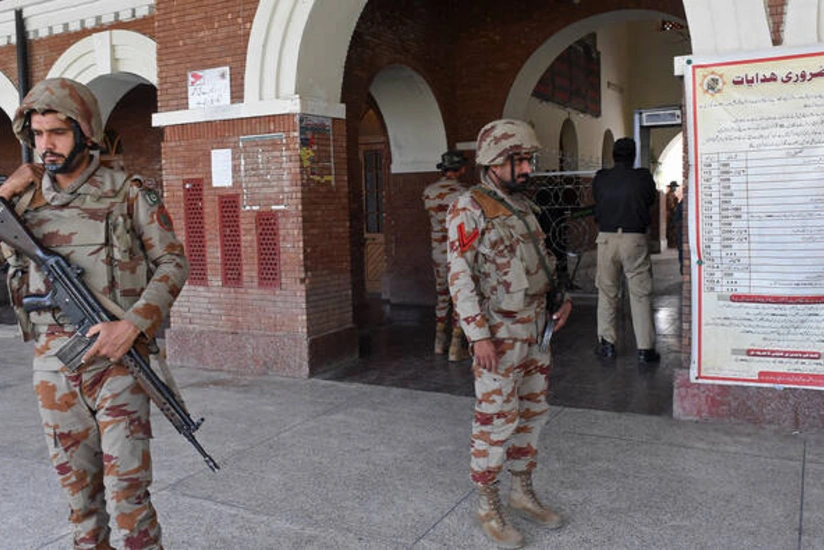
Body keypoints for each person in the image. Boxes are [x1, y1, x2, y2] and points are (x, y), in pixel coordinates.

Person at [1, 77, 189, 549]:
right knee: (80, 501)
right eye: (37, 134)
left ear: (85, 132)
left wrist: (134, 324)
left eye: (58, 133)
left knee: (129, 497)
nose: (46, 145)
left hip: (118, 361)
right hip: (54, 365)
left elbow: (173, 262)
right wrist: (3, 193)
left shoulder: (127, 193)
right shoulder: (21, 200)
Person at [447, 119, 572, 548]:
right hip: (498, 334)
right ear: (494, 161)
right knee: (496, 418)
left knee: (532, 412)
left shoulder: (522, 206)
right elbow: (459, 276)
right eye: (519, 161)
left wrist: (561, 301)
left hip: (536, 328)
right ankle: (488, 504)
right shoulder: (469, 207)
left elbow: (543, 263)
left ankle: (522, 492)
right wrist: (477, 335)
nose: (527, 169)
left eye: (528, 160)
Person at [592, 137, 659, 363]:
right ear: (634, 155)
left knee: (607, 292)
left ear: (613, 155)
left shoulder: (601, 178)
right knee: (640, 294)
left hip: (606, 239)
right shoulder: (643, 177)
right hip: (634, 239)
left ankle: (607, 345)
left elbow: (597, 200)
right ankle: (645, 349)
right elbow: (650, 200)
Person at [422, 150, 470, 361]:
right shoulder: (465, 194)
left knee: (442, 296)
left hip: (438, 252)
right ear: (462, 169)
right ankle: (455, 347)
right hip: (459, 253)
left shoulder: (428, 192)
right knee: (460, 297)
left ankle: (439, 343)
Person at [665, 181, 679, 248]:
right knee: (671, 229)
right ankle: (671, 244)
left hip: (671, 214)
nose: (675, 188)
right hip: (670, 215)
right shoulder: (669, 195)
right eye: (674, 187)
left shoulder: (672, 195)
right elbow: (671, 206)